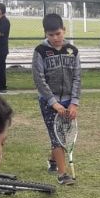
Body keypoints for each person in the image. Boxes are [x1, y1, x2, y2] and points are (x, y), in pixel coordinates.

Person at [32, 13, 82, 186]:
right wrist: (53, 102)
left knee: (62, 133)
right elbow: (39, 79)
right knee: (55, 136)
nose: (55, 38)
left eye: (58, 34)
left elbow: (77, 77)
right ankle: (63, 174)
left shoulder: (73, 51)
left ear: (64, 30)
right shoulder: (40, 51)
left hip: (69, 100)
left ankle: (53, 161)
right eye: (50, 35)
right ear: (45, 34)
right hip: (48, 102)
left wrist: (74, 102)